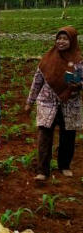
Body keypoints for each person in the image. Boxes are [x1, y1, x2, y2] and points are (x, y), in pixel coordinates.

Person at [25, 26, 82, 181]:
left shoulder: (78, 60)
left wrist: (78, 84)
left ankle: (64, 166)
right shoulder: (48, 59)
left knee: (68, 136)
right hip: (47, 102)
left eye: (65, 39)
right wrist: (29, 102)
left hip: (69, 104)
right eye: (59, 38)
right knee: (44, 136)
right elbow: (37, 81)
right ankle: (42, 170)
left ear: (72, 41)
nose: (61, 42)